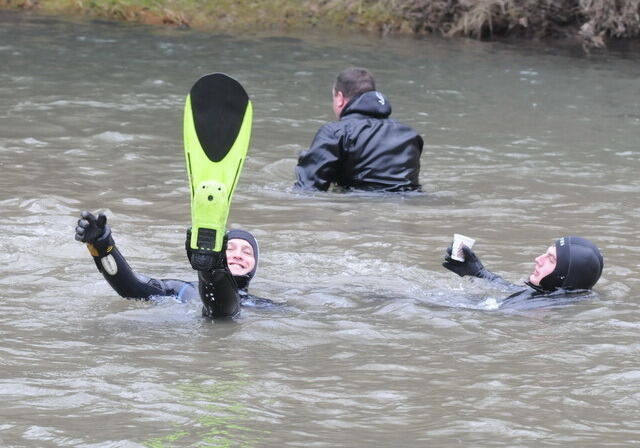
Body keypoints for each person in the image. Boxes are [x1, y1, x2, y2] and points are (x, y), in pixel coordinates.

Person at [75, 210, 276, 318]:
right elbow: (132, 288)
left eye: (247, 251)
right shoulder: (182, 290)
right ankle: (211, 270)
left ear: (255, 265)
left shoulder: (268, 309)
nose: (238, 254)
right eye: (230, 248)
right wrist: (102, 247)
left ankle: (212, 270)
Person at [294, 67, 423, 192]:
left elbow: (307, 189)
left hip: (361, 206)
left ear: (339, 98)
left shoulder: (335, 132)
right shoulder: (409, 134)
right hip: (408, 201)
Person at [442, 236, 604, 307]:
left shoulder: (539, 308)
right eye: (545, 253)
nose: (538, 259)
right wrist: (479, 272)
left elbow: (488, 311)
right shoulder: (556, 296)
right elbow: (517, 290)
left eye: (551, 259)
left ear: (564, 275)